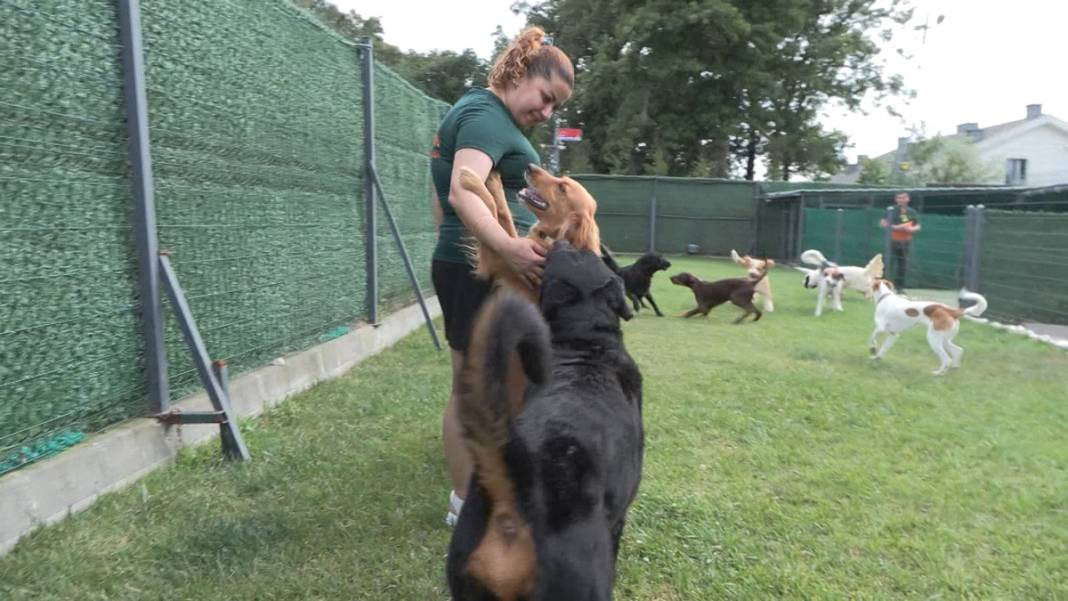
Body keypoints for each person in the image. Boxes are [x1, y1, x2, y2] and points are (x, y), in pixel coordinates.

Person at [428, 27, 574, 526]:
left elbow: (439, 197)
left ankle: (493, 482)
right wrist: (508, 247)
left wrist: (451, 243)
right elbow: (460, 191)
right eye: (546, 97)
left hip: (468, 264)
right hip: (477, 271)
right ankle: (464, 505)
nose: (547, 113)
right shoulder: (486, 118)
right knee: (471, 390)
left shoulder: (479, 111)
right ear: (520, 75)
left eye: (556, 107)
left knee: (494, 384)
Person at [879, 191, 921, 290]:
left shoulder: (912, 211)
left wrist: (911, 229)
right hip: (892, 240)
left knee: (902, 264)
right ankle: (882, 285)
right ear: (896, 199)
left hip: (906, 242)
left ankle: (900, 288)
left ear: (908, 199)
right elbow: (883, 223)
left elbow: (917, 226)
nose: (901, 200)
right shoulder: (891, 210)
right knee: (887, 263)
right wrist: (897, 227)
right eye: (899, 198)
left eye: (903, 198)